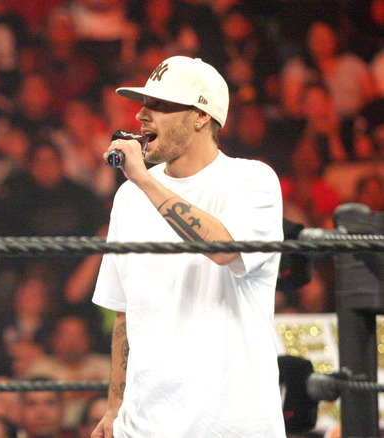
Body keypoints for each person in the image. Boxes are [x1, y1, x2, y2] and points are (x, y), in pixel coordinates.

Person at [91, 56, 285, 437]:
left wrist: (145, 182)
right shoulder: (129, 198)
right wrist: (116, 406)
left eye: (159, 105)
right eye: (143, 105)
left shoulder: (251, 181)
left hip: (231, 424)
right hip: (145, 426)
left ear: (199, 116)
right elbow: (125, 313)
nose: (141, 117)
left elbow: (225, 248)